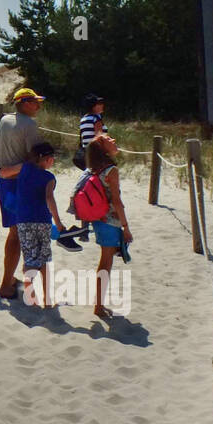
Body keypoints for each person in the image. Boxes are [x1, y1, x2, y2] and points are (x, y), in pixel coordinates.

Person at [0, 88, 47, 300]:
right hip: (18, 182)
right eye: (35, 102)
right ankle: (7, 284)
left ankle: (9, 280)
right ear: (24, 103)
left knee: (15, 233)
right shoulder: (29, 124)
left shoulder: (5, 119)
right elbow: (36, 159)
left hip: (3, 181)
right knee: (20, 234)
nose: (38, 106)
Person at [12, 141, 72, 307]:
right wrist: (58, 222)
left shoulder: (24, 169)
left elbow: (4, 172)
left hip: (23, 221)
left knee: (29, 259)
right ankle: (47, 299)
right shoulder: (49, 177)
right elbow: (49, 198)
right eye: (52, 158)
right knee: (45, 259)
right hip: (42, 221)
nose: (53, 161)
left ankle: (31, 298)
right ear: (46, 159)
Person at [84, 135, 134, 320]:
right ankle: (98, 305)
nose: (113, 139)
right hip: (109, 221)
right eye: (108, 139)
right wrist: (126, 227)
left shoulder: (95, 169)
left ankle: (99, 303)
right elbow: (117, 201)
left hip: (99, 219)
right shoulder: (111, 170)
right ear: (103, 148)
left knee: (106, 261)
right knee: (105, 263)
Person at [74, 94, 106, 170]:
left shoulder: (84, 118)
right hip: (96, 153)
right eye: (99, 103)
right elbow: (99, 136)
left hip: (87, 152)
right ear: (94, 106)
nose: (102, 105)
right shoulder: (96, 117)